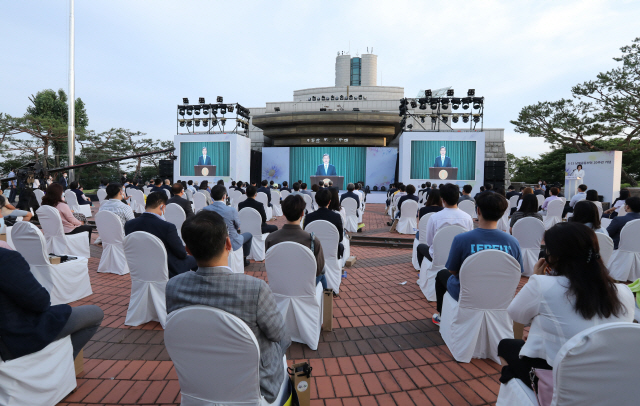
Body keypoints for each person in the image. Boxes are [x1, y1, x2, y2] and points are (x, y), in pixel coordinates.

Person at [165, 211, 290, 403]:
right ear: (228, 244)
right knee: (283, 337)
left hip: (200, 379)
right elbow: (277, 334)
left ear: (188, 250)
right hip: (254, 387)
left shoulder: (173, 286)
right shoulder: (254, 289)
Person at [497, 222, 634, 388]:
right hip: (611, 378)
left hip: (561, 379)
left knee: (506, 346)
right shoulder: (623, 291)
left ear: (555, 256)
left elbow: (516, 314)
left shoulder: (542, 285)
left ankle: (520, 392)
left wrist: (537, 280)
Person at [432, 192, 523, 325]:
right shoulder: (513, 242)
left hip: (466, 295)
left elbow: (452, 271)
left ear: (478, 210)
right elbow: (517, 272)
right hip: (500, 295)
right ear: (503, 212)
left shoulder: (461, 239)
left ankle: (441, 315)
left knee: (441, 274)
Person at [0, 247, 104, 361]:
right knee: (95, 313)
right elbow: (41, 303)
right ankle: (63, 365)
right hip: (14, 337)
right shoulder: (6, 258)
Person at [125, 192, 198, 277]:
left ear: (145, 206)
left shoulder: (129, 224)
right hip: (167, 268)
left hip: (141, 267)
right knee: (196, 259)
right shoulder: (167, 227)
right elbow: (181, 253)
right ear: (162, 207)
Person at [265, 195, 326, 289]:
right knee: (323, 272)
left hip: (279, 288)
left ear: (284, 213)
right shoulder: (312, 240)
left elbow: (270, 266)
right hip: (304, 290)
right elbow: (318, 270)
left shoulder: (271, 238)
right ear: (302, 213)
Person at [416, 184, 474, 266]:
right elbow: (469, 240)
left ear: (442, 199)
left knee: (420, 247)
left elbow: (429, 242)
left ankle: (423, 273)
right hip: (459, 257)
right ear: (458, 198)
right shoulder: (467, 218)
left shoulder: (434, 218)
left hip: (437, 256)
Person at [203, 185, 252, 266]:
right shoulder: (231, 210)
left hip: (212, 241)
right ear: (224, 196)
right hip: (231, 241)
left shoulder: (205, 209)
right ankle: (244, 259)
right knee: (249, 235)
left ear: (211, 195)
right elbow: (238, 225)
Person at [303, 188, 344, 258]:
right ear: (329, 202)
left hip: (313, 253)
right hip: (331, 253)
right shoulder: (336, 217)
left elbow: (306, 236)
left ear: (316, 201)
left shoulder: (308, 217)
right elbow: (340, 238)